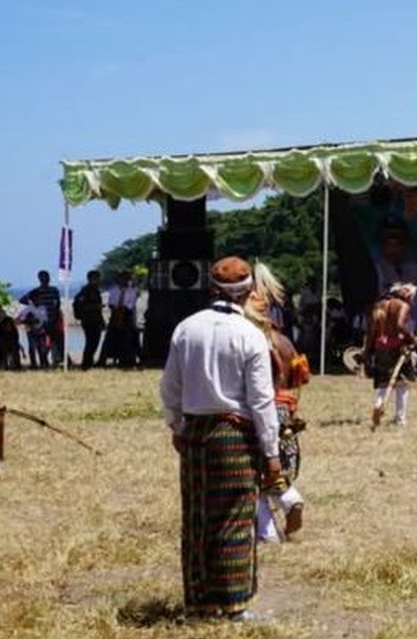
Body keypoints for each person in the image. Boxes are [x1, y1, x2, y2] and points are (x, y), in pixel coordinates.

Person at [159, 256, 281, 621]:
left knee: (196, 517)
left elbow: (170, 388)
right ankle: (232, 605)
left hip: (195, 433)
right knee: (234, 518)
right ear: (248, 292)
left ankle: (197, 603)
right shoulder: (249, 335)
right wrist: (271, 452)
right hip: (234, 435)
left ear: (212, 289)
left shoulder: (186, 329)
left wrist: (177, 427)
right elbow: (262, 400)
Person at [244, 264, 309, 542]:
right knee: (277, 468)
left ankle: (267, 532)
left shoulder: (249, 339)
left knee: (253, 475)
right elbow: (299, 379)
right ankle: (290, 499)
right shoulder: (283, 341)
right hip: (284, 411)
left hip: (257, 410)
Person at [365, 282, 417, 427]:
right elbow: (400, 325)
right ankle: (400, 419)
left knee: (383, 383)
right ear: (406, 294)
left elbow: (372, 332)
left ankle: (378, 404)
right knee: (403, 384)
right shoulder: (402, 305)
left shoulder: (379, 305)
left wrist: (368, 351)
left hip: (380, 348)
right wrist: (411, 338)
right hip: (397, 347)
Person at [374, 214, 417, 329]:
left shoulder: (415, 270)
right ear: (382, 244)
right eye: (389, 243)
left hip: (413, 325)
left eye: (398, 243)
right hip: (386, 327)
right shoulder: (376, 269)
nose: (393, 249)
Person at [20, 270, 64, 368]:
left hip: (52, 318)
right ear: (39, 279)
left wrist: (56, 316)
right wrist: (33, 306)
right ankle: (41, 362)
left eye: (47, 277)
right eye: (43, 278)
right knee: (41, 344)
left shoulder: (54, 290)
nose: (45, 279)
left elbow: (58, 304)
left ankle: (57, 360)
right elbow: (22, 299)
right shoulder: (36, 291)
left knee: (56, 342)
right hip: (40, 320)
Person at [103, 271, 140, 368]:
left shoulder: (133, 291)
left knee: (129, 338)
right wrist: (117, 311)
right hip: (115, 315)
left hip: (127, 316)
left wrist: (123, 309)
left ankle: (128, 359)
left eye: (128, 279)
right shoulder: (113, 290)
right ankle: (104, 359)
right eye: (123, 279)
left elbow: (130, 305)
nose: (126, 281)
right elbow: (111, 304)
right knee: (110, 338)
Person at [73, 270, 106, 370]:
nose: (99, 280)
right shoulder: (86, 290)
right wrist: (96, 306)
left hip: (96, 320)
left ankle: (89, 362)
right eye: (97, 278)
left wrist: (102, 320)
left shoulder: (95, 290)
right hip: (89, 321)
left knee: (94, 343)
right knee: (90, 343)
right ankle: (86, 363)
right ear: (92, 279)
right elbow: (83, 306)